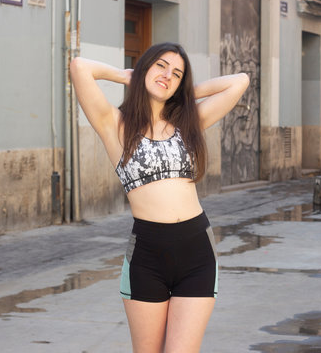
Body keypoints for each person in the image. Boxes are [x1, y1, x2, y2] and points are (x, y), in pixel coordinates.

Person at [70, 42, 249, 353]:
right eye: (161, 66)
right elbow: (79, 67)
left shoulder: (188, 124)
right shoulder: (114, 125)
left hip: (197, 253)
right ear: (144, 68)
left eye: (177, 73)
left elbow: (240, 81)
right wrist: (127, 76)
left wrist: (181, 92)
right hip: (147, 256)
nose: (168, 75)